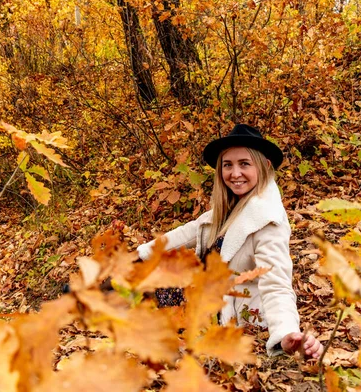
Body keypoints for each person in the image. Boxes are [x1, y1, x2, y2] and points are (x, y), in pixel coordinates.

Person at [137, 124, 323, 359]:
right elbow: (192, 230)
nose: (235, 174)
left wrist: (286, 332)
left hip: (228, 310)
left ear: (264, 166)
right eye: (228, 165)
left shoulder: (266, 219)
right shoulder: (233, 205)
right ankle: (93, 291)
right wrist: (142, 252)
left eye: (244, 164)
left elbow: (276, 283)